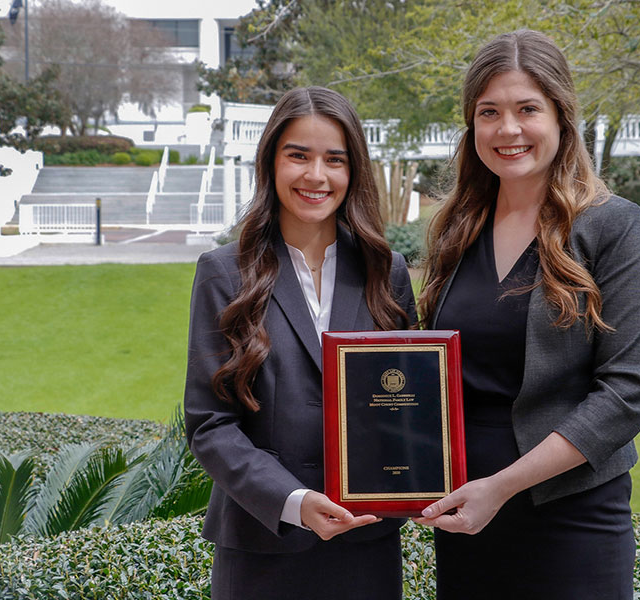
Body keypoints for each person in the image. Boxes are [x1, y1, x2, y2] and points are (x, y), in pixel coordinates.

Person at [414, 30, 640, 599]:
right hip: (466, 519)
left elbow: (626, 394)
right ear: (471, 124)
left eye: (528, 109)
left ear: (561, 117)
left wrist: (499, 488)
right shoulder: (458, 229)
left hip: (570, 520)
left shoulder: (613, 226)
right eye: (489, 112)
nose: (508, 129)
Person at [184, 87, 416, 600]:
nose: (317, 175)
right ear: (271, 163)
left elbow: (410, 403)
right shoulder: (223, 274)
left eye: (335, 159)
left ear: (353, 171)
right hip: (263, 546)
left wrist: (418, 478)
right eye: (298, 156)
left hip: (366, 547)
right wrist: (293, 499)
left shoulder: (387, 272)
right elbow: (210, 423)